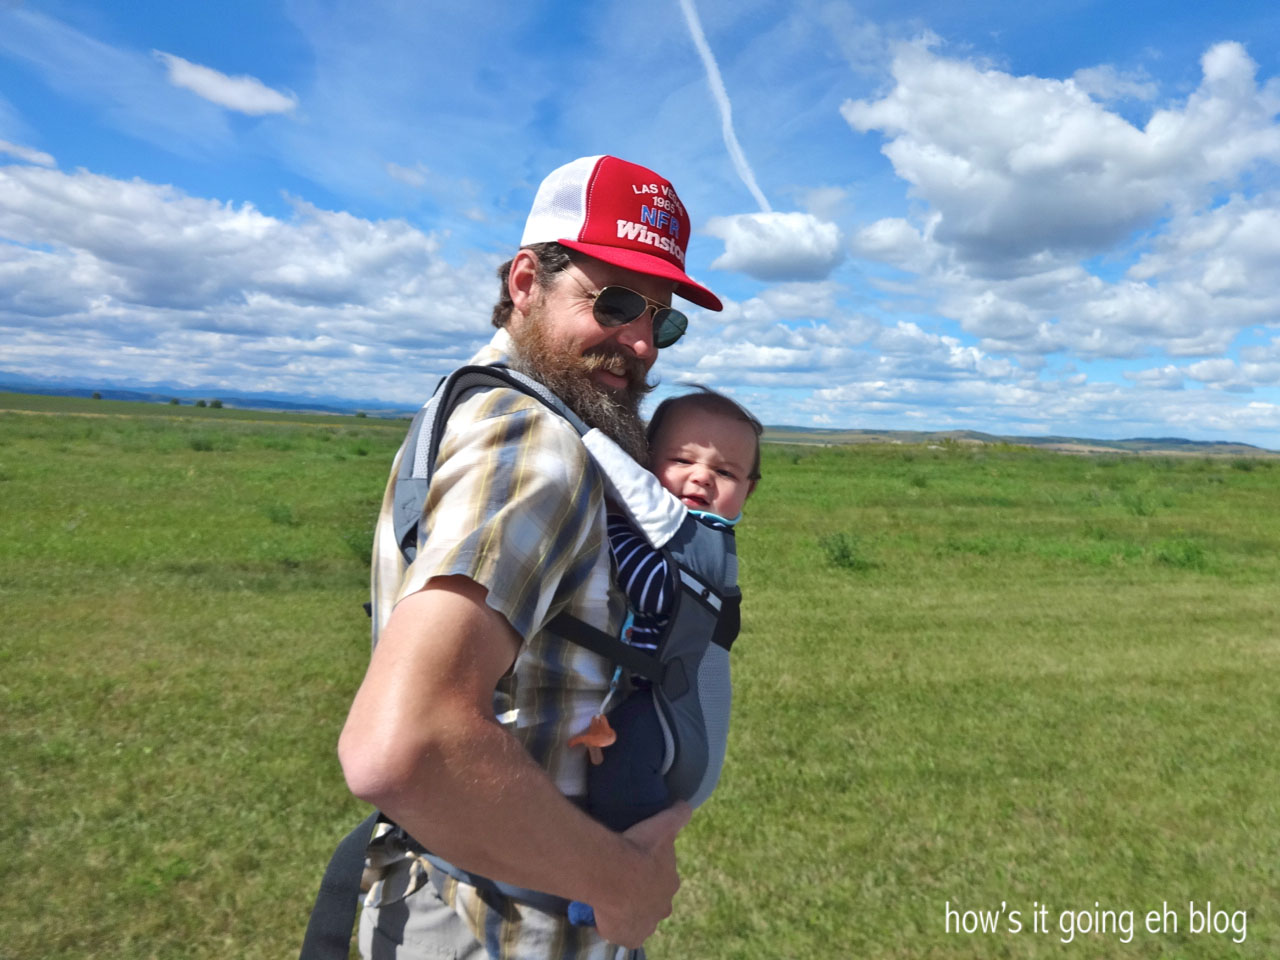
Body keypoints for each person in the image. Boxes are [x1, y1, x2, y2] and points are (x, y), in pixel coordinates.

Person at [338, 155, 724, 960]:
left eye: (664, 320)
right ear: (525, 282)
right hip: (502, 930)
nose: (642, 342)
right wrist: (621, 881)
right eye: (615, 302)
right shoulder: (535, 444)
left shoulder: (468, 402)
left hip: (443, 893)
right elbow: (405, 744)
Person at [581, 387, 762, 834]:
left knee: (621, 766)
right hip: (649, 690)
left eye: (725, 472)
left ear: (748, 489)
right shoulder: (675, 529)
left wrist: (612, 523)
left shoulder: (703, 540)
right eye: (682, 460)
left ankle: (620, 857)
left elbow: (656, 591)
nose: (702, 478)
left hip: (660, 706)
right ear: (643, 461)